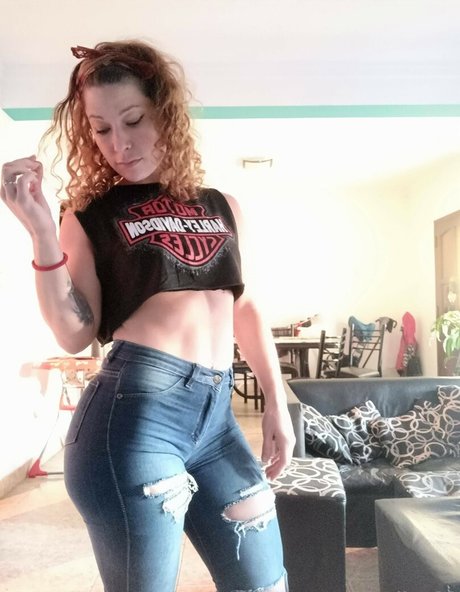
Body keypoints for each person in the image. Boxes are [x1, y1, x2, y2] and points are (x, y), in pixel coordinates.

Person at [1, 40, 294, 592]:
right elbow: (73, 332)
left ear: (164, 112)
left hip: (218, 419)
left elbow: (245, 306)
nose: (119, 143)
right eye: (102, 129)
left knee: (265, 582)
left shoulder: (222, 204)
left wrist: (276, 402)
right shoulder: (90, 215)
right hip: (134, 419)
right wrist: (42, 233)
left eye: (133, 120)